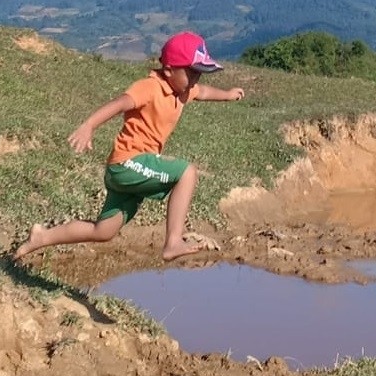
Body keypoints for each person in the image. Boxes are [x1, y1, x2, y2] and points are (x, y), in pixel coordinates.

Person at [13, 31, 245, 263]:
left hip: (126, 171)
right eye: (192, 72)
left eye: (200, 73)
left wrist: (228, 95)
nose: (196, 79)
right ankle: (173, 241)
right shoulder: (150, 87)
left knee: (103, 231)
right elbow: (120, 103)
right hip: (129, 162)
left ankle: (41, 237)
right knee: (187, 172)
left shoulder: (183, 90)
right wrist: (89, 126)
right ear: (169, 70)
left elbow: (203, 92)